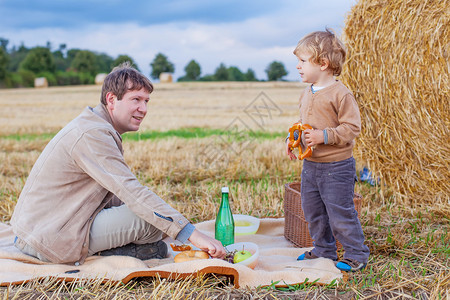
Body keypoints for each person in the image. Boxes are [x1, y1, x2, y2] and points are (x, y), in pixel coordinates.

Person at [11, 62, 226, 265]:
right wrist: (192, 234)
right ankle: (108, 252)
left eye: (146, 101)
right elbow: (130, 190)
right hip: (49, 239)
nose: (144, 109)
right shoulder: (92, 134)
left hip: (45, 228)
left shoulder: (95, 125)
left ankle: (114, 246)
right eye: (136, 99)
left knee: (157, 217)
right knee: (150, 222)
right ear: (111, 99)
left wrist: (170, 220)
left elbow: (116, 193)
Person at [285, 29, 370, 271]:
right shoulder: (306, 93)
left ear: (322, 63)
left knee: (340, 213)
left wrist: (324, 136)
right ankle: (324, 250)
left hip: (336, 167)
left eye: (302, 61)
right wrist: (293, 142)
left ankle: (356, 254)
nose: (298, 66)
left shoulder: (341, 94)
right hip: (310, 165)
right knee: (313, 212)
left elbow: (352, 128)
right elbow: (302, 127)